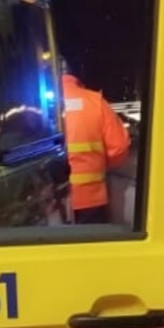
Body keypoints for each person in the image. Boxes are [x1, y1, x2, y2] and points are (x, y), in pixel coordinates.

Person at [60, 56, 131, 223]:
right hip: (91, 199)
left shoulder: (37, 108)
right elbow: (119, 147)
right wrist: (99, 163)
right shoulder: (94, 101)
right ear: (74, 77)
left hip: (50, 205)